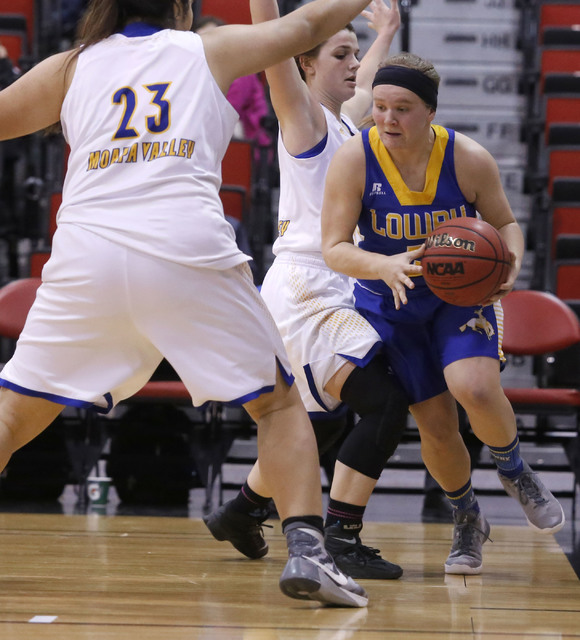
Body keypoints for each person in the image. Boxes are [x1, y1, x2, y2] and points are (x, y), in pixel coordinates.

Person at [0, 0, 380, 608]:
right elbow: (305, 30)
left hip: (87, 254)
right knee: (278, 406)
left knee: (15, 413)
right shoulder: (206, 46)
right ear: (178, 7)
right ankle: (310, 552)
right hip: (184, 247)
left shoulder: (72, 66)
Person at [320, 52, 565, 575]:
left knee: (474, 386)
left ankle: (516, 471)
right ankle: (466, 519)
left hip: (459, 297)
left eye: (402, 108)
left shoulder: (468, 158)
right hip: (393, 301)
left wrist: (512, 265)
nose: (387, 118)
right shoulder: (355, 158)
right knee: (435, 424)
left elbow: (505, 224)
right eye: (381, 106)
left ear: (430, 111)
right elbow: (334, 248)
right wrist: (381, 263)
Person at [203, 0, 409, 581]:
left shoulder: (348, 120)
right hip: (306, 291)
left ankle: (239, 512)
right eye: (338, 54)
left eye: (352, 53)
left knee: (320, 423)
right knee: (384, 399)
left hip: (341, 283)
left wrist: (387, 29)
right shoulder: (306, 119)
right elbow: (275, 52)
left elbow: (367, 79)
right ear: (305, 67)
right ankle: (339, 536)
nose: (352, 65)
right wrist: (268, 11)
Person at [193, 15, 272, 150]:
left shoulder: (240, 71)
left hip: (247, 145)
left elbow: (226, 111)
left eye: (210, 38)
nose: (205, 44)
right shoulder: (194, 68)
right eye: (201, 38)